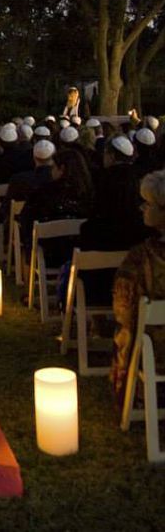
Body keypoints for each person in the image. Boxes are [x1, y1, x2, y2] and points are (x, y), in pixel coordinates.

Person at [111, 169, 165, 403]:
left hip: (156, 354)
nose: (142, 208)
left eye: (147, 203)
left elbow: (124, 314)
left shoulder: (140, 259)